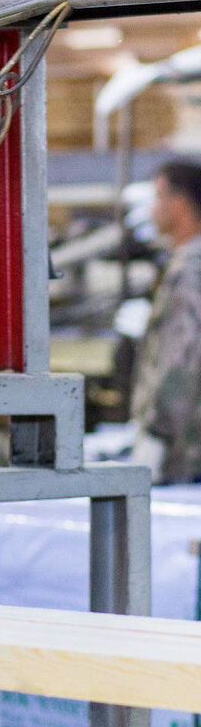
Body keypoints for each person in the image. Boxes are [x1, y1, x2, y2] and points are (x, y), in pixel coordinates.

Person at [130, 160, 201, 484]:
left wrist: (157, 435)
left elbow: (180, 359)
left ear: (179, 203)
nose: (152, 208)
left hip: (184, 448)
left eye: (158, 197)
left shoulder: (189, 271)